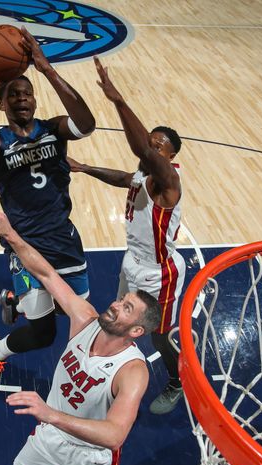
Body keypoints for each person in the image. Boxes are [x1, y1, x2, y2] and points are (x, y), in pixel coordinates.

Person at [0, 209, 161, 465]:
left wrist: (51, 415)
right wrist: (11, 234)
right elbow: (47, 274)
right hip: (50, 436)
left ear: (136, 331)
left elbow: (115, 435)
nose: (116, 305)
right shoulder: (85, 319)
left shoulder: (132, 372)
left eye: (127, 308)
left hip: (91, 457)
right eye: (122, 301)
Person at [0, 27, 96, 394]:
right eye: (14, 95)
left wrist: (46, 68)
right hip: (25, 246)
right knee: (43, 335)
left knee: (68, 310)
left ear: (35, 102)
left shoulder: (53, 130)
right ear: (4, 105)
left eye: (27, 94)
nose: (22, 99)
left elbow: (86, 125)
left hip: (64, 240)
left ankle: (14, 299)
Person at [66, 57, 186, 415]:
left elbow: (143, 153)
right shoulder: (143, 176)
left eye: (158, 145)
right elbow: (125, 177)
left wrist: (117, 100)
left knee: (159, 336)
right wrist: (86, 168)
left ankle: (177, 381)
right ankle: (111, 372)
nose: (151, 147)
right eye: (151, 141)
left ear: (171, 155)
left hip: (158, 273)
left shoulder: (169, 181)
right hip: (131, 262)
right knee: (119, 318)